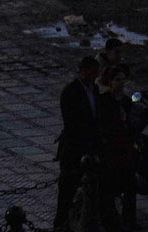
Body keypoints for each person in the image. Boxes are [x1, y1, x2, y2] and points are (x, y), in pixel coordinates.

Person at [54, 53, 102, 228]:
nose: (95, 76)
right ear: (83, 71)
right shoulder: (70, 92)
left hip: (89, 147)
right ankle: (60, 224)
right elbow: (72, 124)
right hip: (74, 150)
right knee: (67, 192)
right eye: (92, 73)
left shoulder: (94, 89)